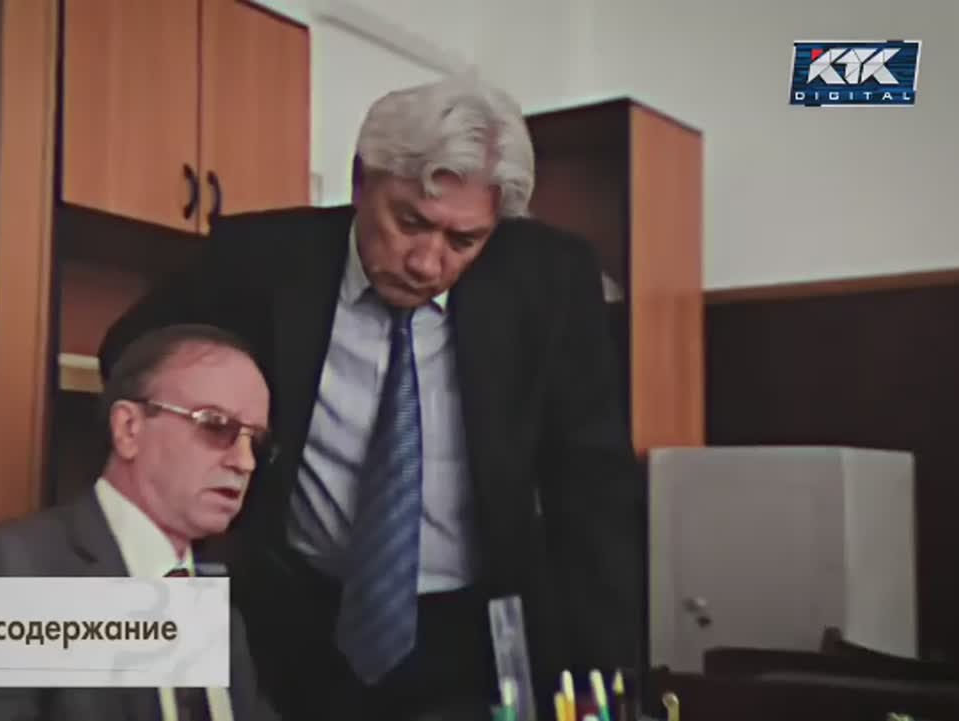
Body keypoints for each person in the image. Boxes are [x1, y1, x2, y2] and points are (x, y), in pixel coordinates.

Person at [99, 74, 645, 721]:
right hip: (292, 617)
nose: (427, 262)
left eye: (463, 240)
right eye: (409, 221)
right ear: (361, 181)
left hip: (472, 630)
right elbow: (129, 354)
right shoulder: (261, 260)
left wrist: (611, 677)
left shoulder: (548, 280)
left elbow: (594, 488)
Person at [0, 324, 282, 721]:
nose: (245, 462)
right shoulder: (4, 571)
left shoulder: (219, 606)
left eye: (255, 441)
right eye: (216, 426)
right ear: (128, 429)